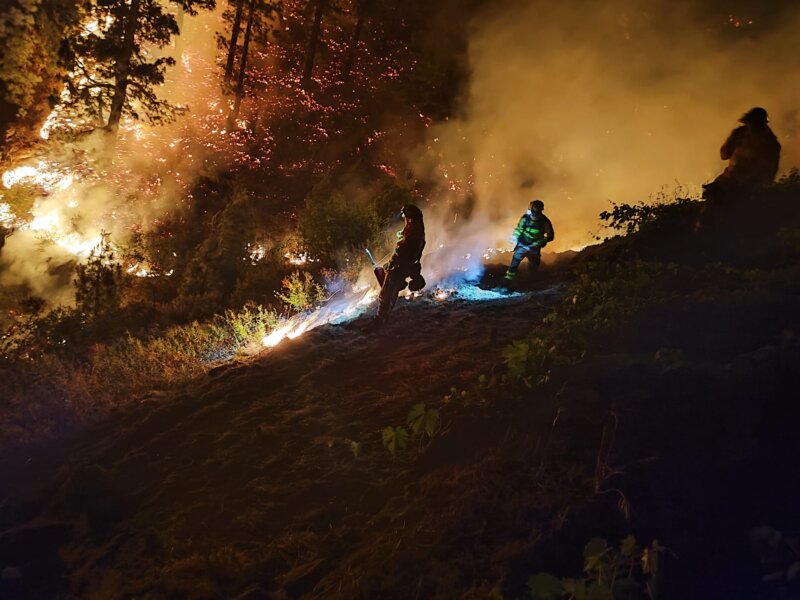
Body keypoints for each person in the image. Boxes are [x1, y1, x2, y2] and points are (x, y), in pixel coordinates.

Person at [703, 107, 781, 203]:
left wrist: (761, 185)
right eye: (751, 123)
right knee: (712, 193)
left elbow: (770, 169)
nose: (752, 126)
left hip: (753, 183)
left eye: (755, 123)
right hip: (732, 177)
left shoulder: (769, 143)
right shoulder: (740, 134)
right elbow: (724, 154)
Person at [372, 204, 426, 327]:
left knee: (385, 294)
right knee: (392, 292)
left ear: (410, 218)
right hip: (407, 267)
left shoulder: (413, 236)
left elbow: (401, 254)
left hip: (399, 268)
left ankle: (380, 320)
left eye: (405, 216)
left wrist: (389, 265)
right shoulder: (417, 231)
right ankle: (385, 316)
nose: (404, 219)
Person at [505, 199, 554, 281]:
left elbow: (550, 236)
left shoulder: (544, 221)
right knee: (515, 263)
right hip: (523, 245)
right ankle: (508, 280)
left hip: (534, 247)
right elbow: (519, 229)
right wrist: (515, 237)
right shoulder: (526, 218)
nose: (535, 216)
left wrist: (539, 242)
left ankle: (529, 281)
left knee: (533, 266)